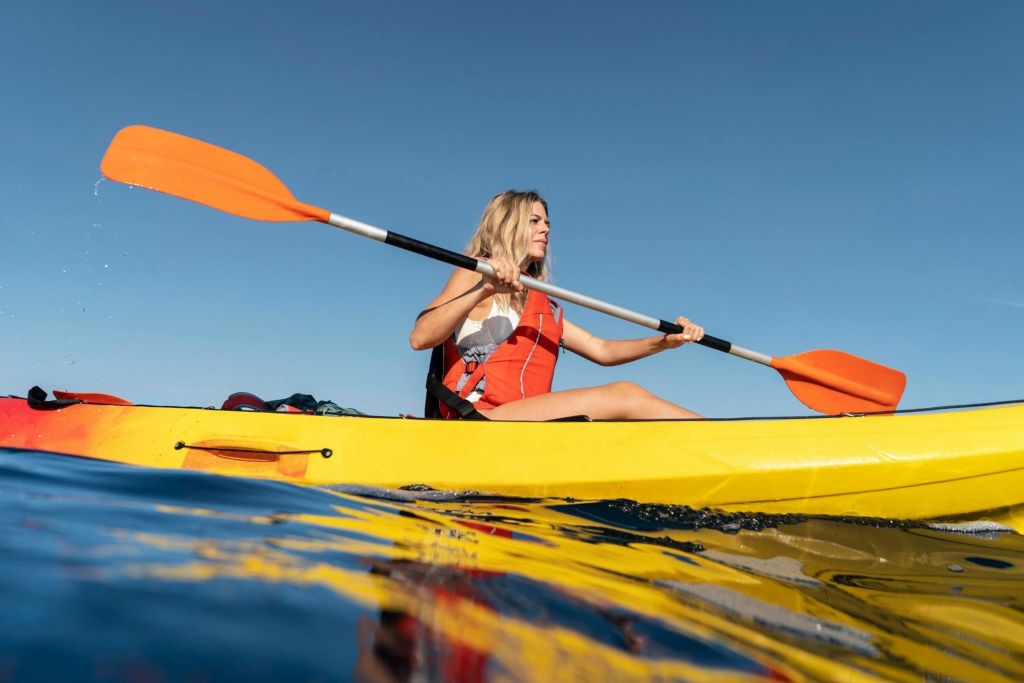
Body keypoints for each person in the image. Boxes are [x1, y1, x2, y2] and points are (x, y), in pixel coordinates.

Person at [410, 191, 704, 420]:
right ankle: (734, 442)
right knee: (624, 395)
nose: (546, 229)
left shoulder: (544, 308)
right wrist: (484, 289)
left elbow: (602, 350)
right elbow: (420, 337)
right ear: (507, 224)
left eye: (548, 223)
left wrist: (665, 342)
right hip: (478, 418)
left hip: (520, 424)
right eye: (534, 221)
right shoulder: (476, 272)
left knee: (625, 411)